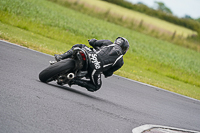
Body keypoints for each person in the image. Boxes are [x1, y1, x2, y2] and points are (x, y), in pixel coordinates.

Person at [54, 37, 129, 92]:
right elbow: (108, 73)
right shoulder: (120, 61)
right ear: (124, 50)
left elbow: (93, 42)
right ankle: (73, 80)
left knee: (80, 46)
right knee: (96, 86)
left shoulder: (108, 43)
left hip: (90, 55)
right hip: (96, 68)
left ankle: (61, 57)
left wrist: (92, 40)